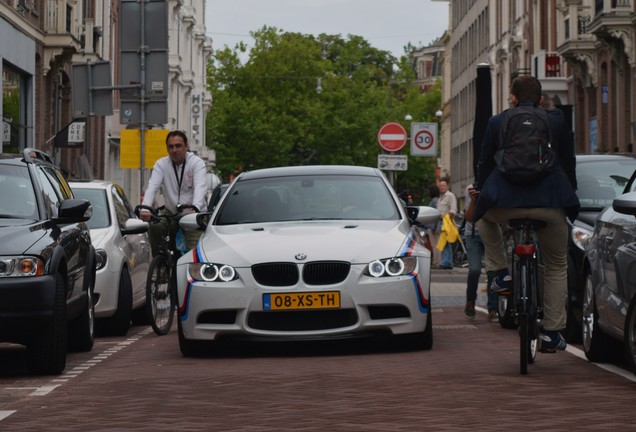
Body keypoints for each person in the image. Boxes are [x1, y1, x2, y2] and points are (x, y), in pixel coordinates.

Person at [473, 76, 580, 351]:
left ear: (512, 97)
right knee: (557, 265)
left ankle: (499, 273)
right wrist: (570, 194)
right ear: (541, 99)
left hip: (506, 204)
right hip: (549, 204)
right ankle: (552, 332)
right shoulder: (555, 120)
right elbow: (568, 160)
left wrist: (482, 191)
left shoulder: (497, 122)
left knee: (482, 218)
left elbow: (485, 162)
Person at [139, 130, 208, 256]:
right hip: (171, 211)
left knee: (194, 253)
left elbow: (200, 187)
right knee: (155, 227)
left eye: (178, 146)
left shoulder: (196, 163)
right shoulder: (162, 164)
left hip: (192, 214)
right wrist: (145, 207)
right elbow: (153, 186)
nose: (174, 150)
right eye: (171, 147)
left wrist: (196, 207)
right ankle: (160, 260)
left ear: (186, 146)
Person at [463, 184, 498, 322]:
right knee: (475, 270)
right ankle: (470, 301)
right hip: (473, 235)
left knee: (492, 270)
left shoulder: (495, 183)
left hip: (491, 233)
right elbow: (469, 217)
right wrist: (473, 200)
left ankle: (493, 308)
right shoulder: (470, 188)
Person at [436, 180, 457, 269]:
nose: (442, 187)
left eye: (443, 185)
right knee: (443, 243)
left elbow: (453, 210)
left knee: (447, 243)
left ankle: (447, 263)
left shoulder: (450, 196)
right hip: (440, 221)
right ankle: (446, 262)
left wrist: (449, 221)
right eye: (440, 186)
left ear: (447, 186)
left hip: (447, 221)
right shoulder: (440, 197)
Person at [424, 184, 441, 267]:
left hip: (433, 227)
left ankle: (436, 262)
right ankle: (437, 261)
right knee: (437, 245)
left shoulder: (434, 201)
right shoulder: (437, 200)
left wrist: (434, 227)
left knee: (435, 245)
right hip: (435, 226)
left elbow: (434, 214)